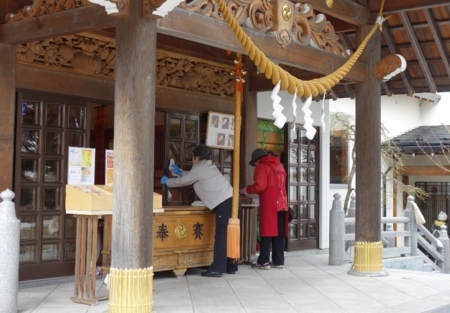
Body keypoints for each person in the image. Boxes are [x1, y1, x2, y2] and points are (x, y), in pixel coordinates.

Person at [160, 145, 238, 277]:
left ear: (196, 158)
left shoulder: (199, 167)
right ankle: (230, 266)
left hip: (224, 203)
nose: (192, 161)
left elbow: (185, 181)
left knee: (221, 236)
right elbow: (192, 176)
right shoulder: (207, 166)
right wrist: (180, 172)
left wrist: (168, 181)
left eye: (193, 158)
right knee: (228, 234)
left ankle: (217, 269)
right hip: (230, 201)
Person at [241, 148, 288, 270]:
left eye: (254, 163)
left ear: (257, 160)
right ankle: (278, 261)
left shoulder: (262, 166)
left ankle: (263, 261)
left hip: (269, 202)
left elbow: (260, 186)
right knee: (279, 233)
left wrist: (246, 190)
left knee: (267, 232)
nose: (255, 165)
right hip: (282, 202)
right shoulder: (279, 166)